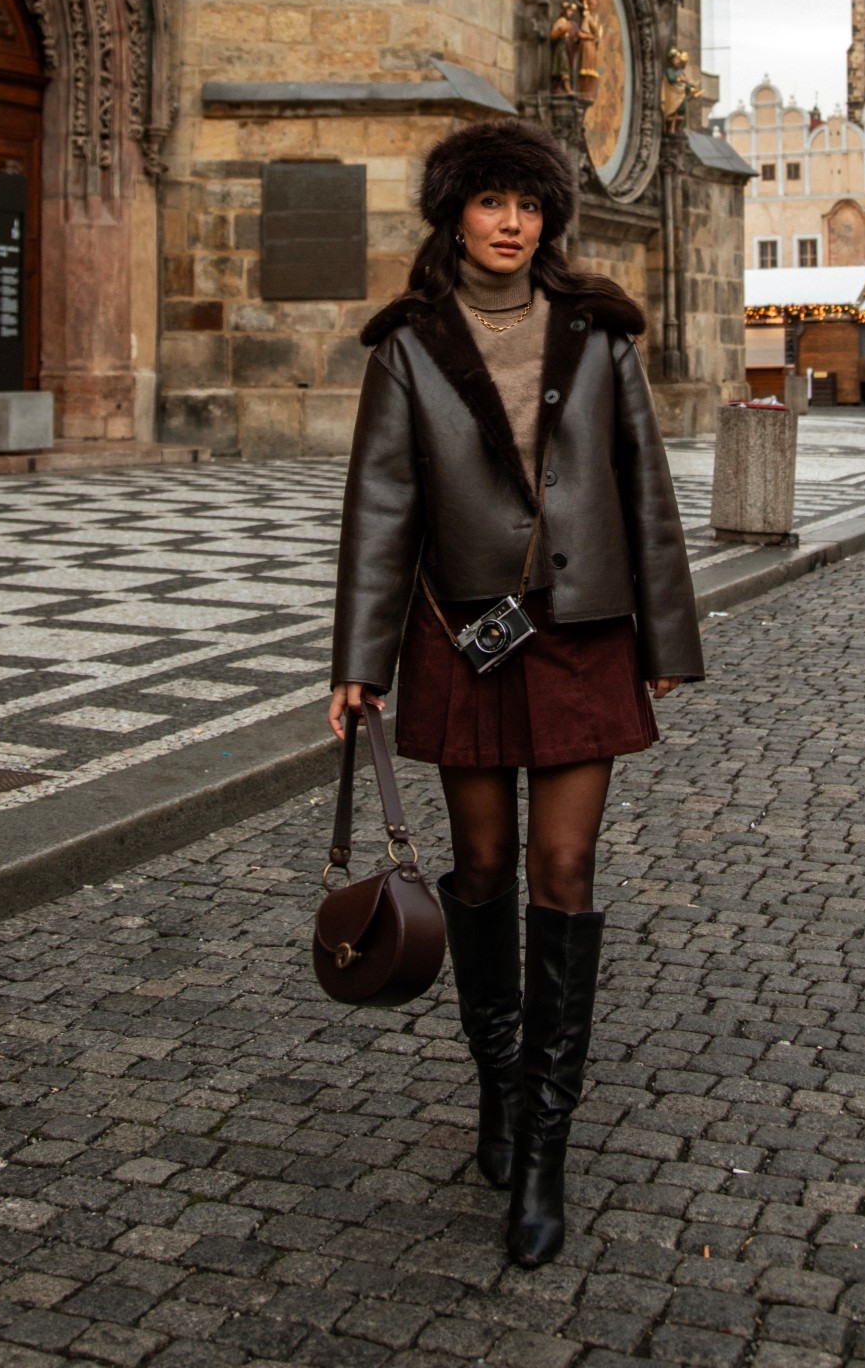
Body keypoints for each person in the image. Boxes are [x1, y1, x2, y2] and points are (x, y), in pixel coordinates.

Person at [328, 117, 704, 1267]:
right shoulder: (408, 345)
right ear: (455, 213)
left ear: (548, 217)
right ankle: (497, 1083)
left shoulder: (598, 332)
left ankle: (545, 1142)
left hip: (583, 629)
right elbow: (380, 504)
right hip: (462, 635)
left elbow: (641, 483)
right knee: (482, 868)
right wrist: (360, 661)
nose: (510, 222)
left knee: (565, 870)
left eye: (528, 204)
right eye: (490, 201)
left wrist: (666, 635)